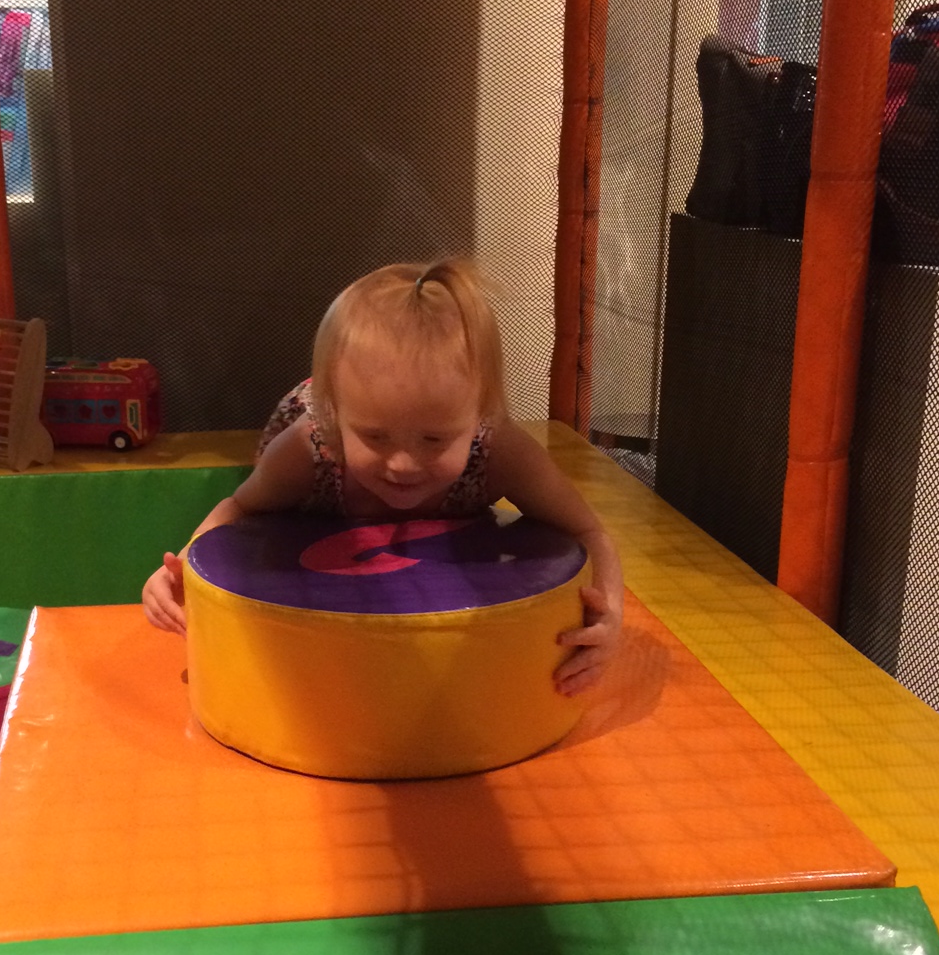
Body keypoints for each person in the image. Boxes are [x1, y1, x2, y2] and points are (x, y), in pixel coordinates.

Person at [142, 257, 623, 696]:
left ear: (479, 415)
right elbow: (240, 507)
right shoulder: (311, 448)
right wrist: (184, 573)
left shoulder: (500, 450)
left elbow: (587, 530)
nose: (403, 464)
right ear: (337, 418)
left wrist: (609, 614)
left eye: (434, 440)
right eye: (375, 437)